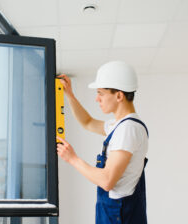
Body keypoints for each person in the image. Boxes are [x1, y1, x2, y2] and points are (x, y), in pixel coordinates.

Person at [56, 61, 149, 224]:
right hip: (115, 212)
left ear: (119, 95)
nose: (97, 99)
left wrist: (73, 159)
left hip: (119, 216)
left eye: (101, 93)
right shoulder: (120, 125)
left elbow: (107, 181)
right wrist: (69, 94)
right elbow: (87, 122)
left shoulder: (128, 129)